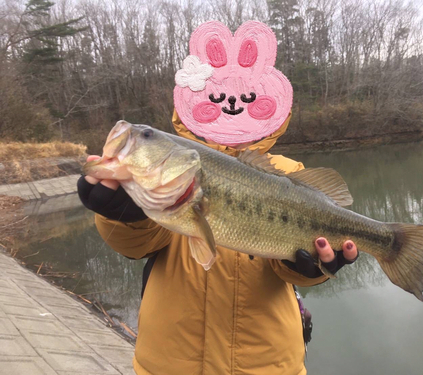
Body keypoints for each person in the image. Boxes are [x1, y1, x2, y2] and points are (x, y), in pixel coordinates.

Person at [78, 20, 359, 375]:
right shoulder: (172, 180)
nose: (232, 102)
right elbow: (137, 247)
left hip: (267, 364)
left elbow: (294, 269)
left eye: (147, 136)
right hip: (171, 363)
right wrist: (121, 215)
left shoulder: (289, 172)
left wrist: (313, 268)